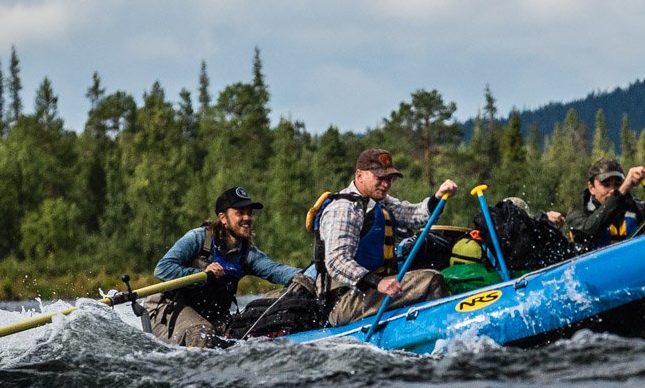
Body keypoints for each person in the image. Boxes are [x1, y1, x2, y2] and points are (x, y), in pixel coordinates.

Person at [143, 185, 307, 347]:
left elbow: (277, 271)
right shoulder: (198, 238)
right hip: (170, 308)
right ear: (223, 218)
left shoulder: (247, 254)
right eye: (240, 213)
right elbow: (163, 269)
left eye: (249, 213)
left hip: (211, 315)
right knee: (202, 332)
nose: (247, 218)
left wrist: (313, 275)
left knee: (250, 331)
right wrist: (202, 274)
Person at [310, 148, 457, 327]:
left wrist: (438, 197)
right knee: (430, 280)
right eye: (379, 178)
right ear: (359, 175)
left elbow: (414, 216)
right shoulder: (343, 209)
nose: (386, 184)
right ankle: (443, 330)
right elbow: (336, 261)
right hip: (343, 302)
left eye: (389, 179)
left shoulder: (379, 201)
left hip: (367, 292)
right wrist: (377, 283)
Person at [566, 158, 645, 249]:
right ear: (591, 188)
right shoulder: (577, 213)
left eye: (618, 184)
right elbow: (591, 229)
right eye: (606, 185)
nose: (612, 190)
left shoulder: (639, 209)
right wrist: (624, 188)